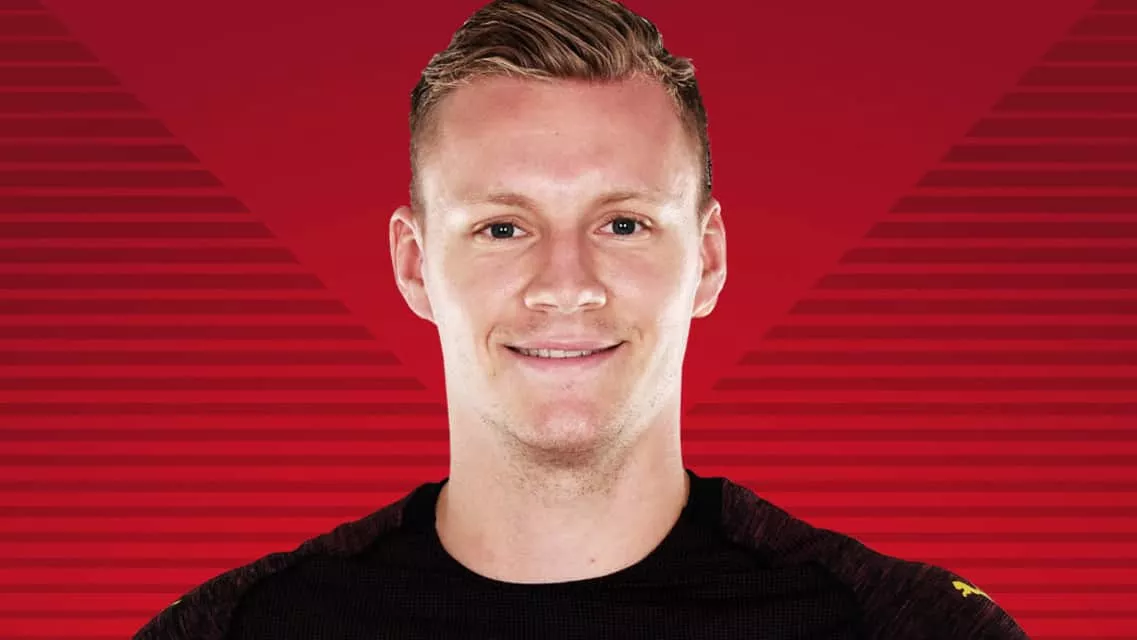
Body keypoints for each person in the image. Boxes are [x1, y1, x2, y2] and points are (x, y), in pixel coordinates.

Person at [134, 0, 1031, 637]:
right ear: (413, 265)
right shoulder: (235, 628)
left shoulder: (909, 627)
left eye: (622, 224)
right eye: (502, 227)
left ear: (708, 258)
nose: (565, 285)